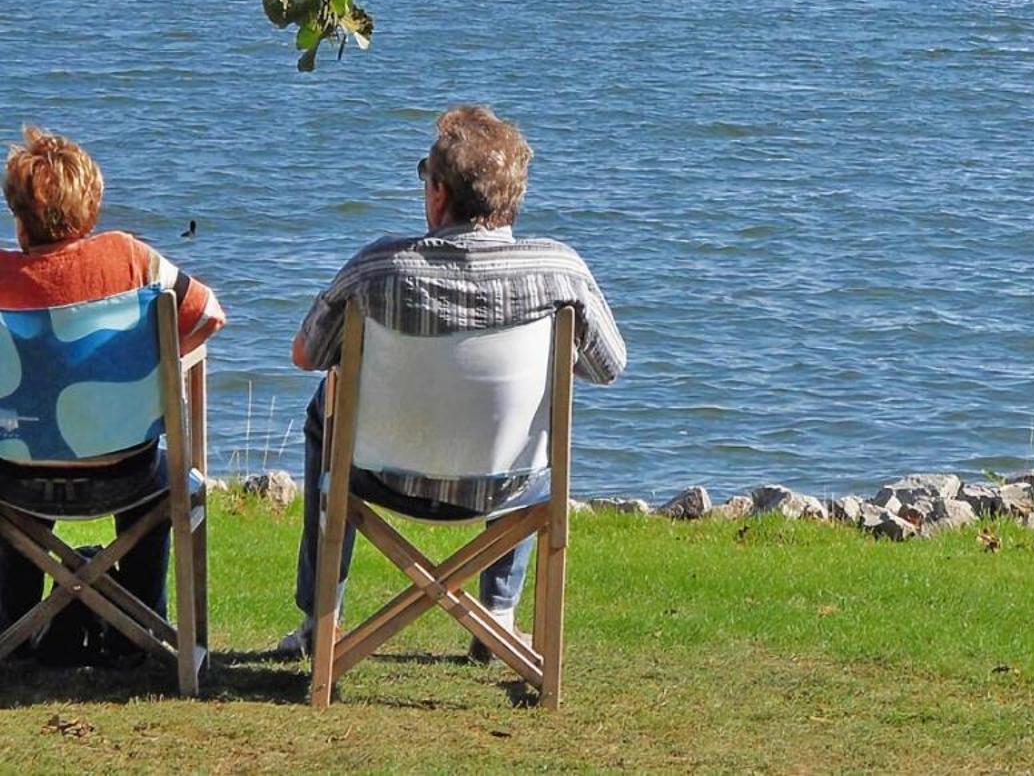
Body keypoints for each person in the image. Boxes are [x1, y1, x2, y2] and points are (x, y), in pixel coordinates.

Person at [276, 105, 626, 658]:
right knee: (533, 412)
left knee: (329, 405)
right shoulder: (560, 273)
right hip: (504, 482)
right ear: (513, 197)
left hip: (381, 477)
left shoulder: (377, 270)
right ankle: (498, 617)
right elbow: (608, 367)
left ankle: (322, 618)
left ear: (439, 195)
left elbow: (305, 354)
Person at [0, 127, 225, 654]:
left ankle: (18, 629)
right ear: (91, 207)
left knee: (18, 465)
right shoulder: (130, 260)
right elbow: (209, 315)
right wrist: (152, 363)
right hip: (124, 470)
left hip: (16, 474)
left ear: (18, 216)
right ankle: (140, 626)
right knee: (154, 469)